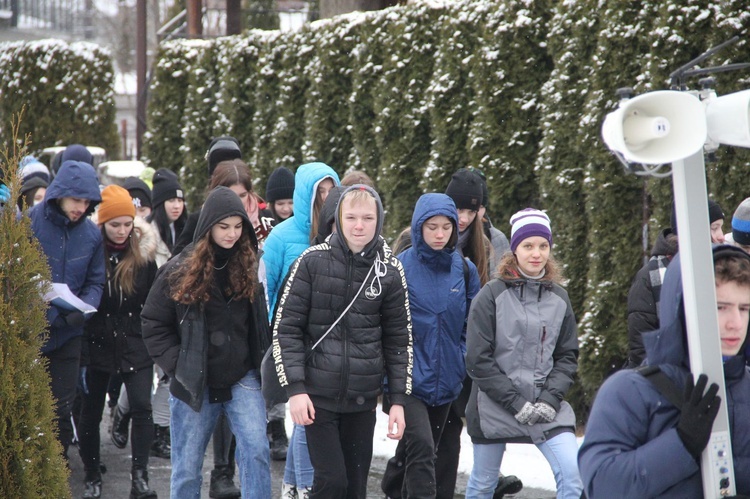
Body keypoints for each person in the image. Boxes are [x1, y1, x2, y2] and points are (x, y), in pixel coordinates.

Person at [273, 185, 412, 499]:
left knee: (355, 489)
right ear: (338, 218)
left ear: (379, 220)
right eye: (351, 217)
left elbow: (399, 340)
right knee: (331, 483)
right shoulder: (311, 262)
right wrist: (295, 390)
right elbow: (287, 330)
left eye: (367, 217)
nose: (359, 225)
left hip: (362, 400)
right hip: (317, 398)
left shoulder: (390, 271)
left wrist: (398, 401)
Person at [578, 244, 750, 497]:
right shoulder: (630, 391)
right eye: (719, 307)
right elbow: (603, 486)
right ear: (683, 307)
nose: (735, 323)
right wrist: (681, 443)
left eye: (744, 308)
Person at [141, 186, 272, 499]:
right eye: (224, 227)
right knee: (187, 468)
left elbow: (259, 325)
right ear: (209, 226)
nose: (231, 234)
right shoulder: (178, 270)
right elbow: (152, 322)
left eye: (238, 227)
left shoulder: (249, 265)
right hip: (193, 381)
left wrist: (263, 365)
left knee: (256, 452)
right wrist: (179, 364)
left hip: (243, 377)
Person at [464, 208, 582, 499]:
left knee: (574, 473)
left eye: (543, 246)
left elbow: (567, 355)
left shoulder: (559, 297)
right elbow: (478, 360)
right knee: (483, 484)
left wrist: (550, 399)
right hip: (494, 406)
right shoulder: (491, 295)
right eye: (528, 245)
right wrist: (516, 402)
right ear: (514, 249)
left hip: (545, 407)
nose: (536, 253)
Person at [381, 193, 480, 499]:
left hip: (447, 378)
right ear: (418, 227)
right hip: (408, 380)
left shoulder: (464, 270)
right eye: (432, 227)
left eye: (446, 227)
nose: (439, 234)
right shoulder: (400, 267)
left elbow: (471, 323)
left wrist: (459, 356)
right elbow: (385, 326)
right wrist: (390, 378)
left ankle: (392, 489)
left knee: (422, 450)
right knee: (423, 448)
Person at [261, 162, 339, 496]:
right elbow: (266, 290)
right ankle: (304, 486)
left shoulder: (340, 233)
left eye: (330, 188)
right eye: (318, 190)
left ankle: (293, 486)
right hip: (291, 337)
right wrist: (270, 335)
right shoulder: (281, 236)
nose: (324, 196)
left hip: (327, 339)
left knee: (307, 417)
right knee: (307, 413)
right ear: (304, 193)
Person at [77, 185, 158, 499]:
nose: (123, 231)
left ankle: (140, 478)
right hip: (96, 338)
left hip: (134, 338)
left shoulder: (143, 255)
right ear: (102, 224)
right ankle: (92, 473)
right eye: (115, 225)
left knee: (142, 406)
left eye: (128, 223)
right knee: (91, 410)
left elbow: (153, 302)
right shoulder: (91, 251)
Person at [29, 160, 105, 460]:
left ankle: (57, 472)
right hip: (32, 331)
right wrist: (47, 313)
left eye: (87, 202)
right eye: (76, 199)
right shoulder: (29, 222)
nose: (80, 207)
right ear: (59, 194)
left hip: (69, 334)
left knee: (62, 409)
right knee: (32, 407)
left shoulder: (91, 235)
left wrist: (84, 310)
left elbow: (96, 282)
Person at [626, 199, 724, 368]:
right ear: (694, 230)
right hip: (670, 379)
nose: (722, 236)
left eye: (722, 227)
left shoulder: (727, 268)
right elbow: (641, 347)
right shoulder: (650, 277)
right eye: (714, 228)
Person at [146, 168, 187, 267]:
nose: (177, 206)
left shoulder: (186, 230)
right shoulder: (146, 234)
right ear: (160, 204)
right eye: (171, 200)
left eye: (180, 200)